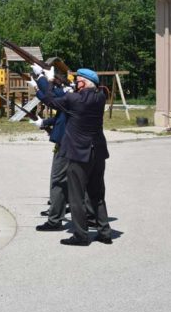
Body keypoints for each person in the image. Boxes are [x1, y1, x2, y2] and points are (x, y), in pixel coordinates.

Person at [35, 66, 112, 246]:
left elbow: (49, 99)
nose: (76, 84)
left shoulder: (73, 99)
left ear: (83, 83)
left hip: (79, 153)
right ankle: (105, 232)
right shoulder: (101, 97)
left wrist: (50, 80)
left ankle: (81, 235)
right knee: (97, 195)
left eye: (78, 82)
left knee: (76, 196)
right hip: (98, 152)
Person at [27, 65, 69, 232]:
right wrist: (44, 122)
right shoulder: (70, 94)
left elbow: (52, 98)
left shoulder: (70, 95)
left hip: (65, 143)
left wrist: (43, 79)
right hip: (65, 141)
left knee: (58, 180)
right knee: (63, 181)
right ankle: (58, 210)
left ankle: (56, 217)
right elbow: (55, 106)